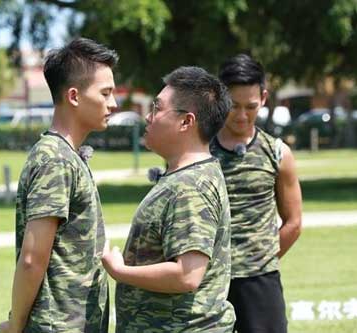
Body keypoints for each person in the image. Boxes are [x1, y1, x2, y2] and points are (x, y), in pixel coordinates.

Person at [0, 37, 118, 333]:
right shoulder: (55, 160)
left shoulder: (68, 156)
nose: (113, 104)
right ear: (74, 96)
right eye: (105, 93)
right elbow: (32, 258)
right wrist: (15, 325)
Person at [102, 66, 235, 332]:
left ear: (186, 121)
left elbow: (187, 274)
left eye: (157, 108)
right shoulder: (185, 177)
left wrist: (119, 271)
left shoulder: (190, 186)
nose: (149, 117)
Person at [210, 54, 303, 333]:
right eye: (233, 105)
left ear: (263, 98)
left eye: (250, 106)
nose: (241, 115)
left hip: (260, 281)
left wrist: (260, 259)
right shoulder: (196, 151)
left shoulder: (278, 153)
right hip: (208, 280)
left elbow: (293, 223)